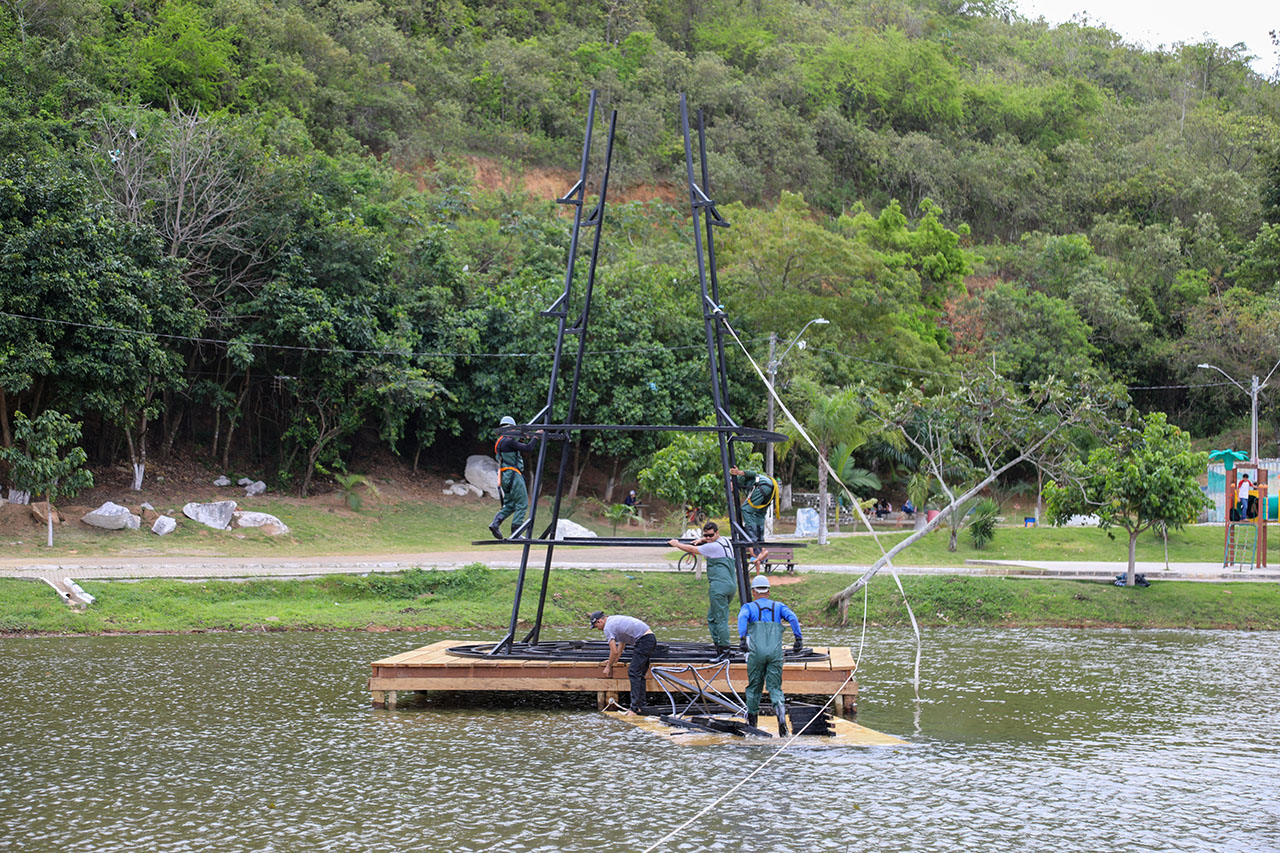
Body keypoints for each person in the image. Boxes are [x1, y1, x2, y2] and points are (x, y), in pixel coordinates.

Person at [737, 574, 803, 736]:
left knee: (754, 688)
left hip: (755, 653)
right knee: (775, 687)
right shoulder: (778, 607)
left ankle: (752, 726)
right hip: (775, 654)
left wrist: (742, 638)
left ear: (754, 592)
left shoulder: (749, 607)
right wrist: (798, 638)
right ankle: (781, 720)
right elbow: (793, 617)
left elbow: (742, 618)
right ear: (768, 591)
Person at [669, 521, 737, 659]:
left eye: (711, 535)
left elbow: (692, 549)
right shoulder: (725, 541)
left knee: (720, 619)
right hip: (731, 585)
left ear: (717, 533)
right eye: (706, 536)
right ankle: (719, 647)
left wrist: (677, 544)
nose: (708, 538)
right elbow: (709, 541)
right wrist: (702, 539)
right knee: (712, 617)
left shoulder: (712, 547)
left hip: (719, 587)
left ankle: (724, 652)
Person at [589, 610, 656, 715]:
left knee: (633, 672)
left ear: (599, 621)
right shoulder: (614, 621)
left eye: (596, 626)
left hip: (644, 641)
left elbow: (613, 651)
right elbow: (621, 644)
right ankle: (641, 706)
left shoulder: (608, 627)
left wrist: (608, 667)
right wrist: (615, 660)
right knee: (639, 674)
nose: (598, 629)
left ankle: (634, 709)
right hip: (649, 639)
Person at [489, 415, 542, 539]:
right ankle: (516, 532)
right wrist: (536, 436)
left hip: (504, 477)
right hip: (513, 476)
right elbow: (528, 448)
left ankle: (495, 523)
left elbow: (515, 447)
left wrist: (523, 438)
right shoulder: (509, 441)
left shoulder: (502, 442)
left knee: (510, 505)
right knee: (522, 503)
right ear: (511, 428)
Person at [730, 466, 778, 572]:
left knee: (746, 509)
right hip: (770, 487)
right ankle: (760, 540)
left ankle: (752, 538)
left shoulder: (738, 478)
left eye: (730, 485)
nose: (730, 488)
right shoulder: (741, 485)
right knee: (759, 514)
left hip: (763, 485)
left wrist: (739, 472)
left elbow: (753, 473)